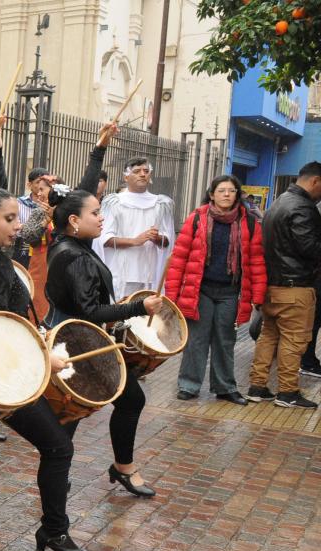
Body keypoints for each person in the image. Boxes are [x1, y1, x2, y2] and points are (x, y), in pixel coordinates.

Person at [0, 186, 94, 551]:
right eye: (9, 220)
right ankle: (54, 531)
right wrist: (45, 358)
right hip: (2, 375)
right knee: (58, 447)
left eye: (17, 217)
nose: (18, 226)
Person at [44, 185, 163, 500]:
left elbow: (88, 301)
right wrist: (138, 307)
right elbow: (89, 310)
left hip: (78, 339)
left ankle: (119, 468)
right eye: (95, 213)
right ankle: (60, 481)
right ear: (73, 220)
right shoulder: (74, 254)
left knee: (90, 409)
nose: (101, 218)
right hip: (78, 345)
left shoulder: (70, 244)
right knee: (71, 415)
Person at [164, 175, 265, 405]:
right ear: (212, 194)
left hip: (230, 292)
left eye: (231, 191)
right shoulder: (197, 218)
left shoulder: (249, 222)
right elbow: (179, 258)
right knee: (196, 340)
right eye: (222, 191)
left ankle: (225, 386)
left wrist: (258, 295)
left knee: (225, 340)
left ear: (238, 195)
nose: (227, 195)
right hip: (200, 290)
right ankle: (188, 384)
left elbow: (256, 261)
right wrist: (171, 296)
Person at [246, 162, 321, 409]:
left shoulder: (279, 202)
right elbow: (309, 248)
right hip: (295, 286)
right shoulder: (303, 208)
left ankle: (258, 386)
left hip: (272, 285)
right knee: (293, 340)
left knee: (268, 337)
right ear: (315, 182)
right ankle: (288, 392)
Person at [95, 157, 177, 298]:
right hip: (119, 273)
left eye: (146, 171)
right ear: (126, 176)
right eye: (137, 171)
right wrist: (135, 241)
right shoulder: (114, 202)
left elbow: (167, 241)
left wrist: (157, 238)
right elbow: (104, 239)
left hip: (148, 273)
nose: (142, 174)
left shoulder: (160, 204)